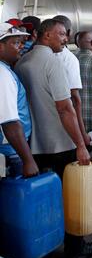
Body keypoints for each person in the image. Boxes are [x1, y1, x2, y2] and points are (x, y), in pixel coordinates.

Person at [15, 19, 92, 258]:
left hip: (35, 145)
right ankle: (75, 249)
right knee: (72, 198)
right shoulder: (53, 63)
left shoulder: (23, 62)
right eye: (62, 34)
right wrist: (81, 145)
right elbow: (66, 108)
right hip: (61, 144)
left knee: (47, 199)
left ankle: (48, 243)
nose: (65, 39)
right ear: (47, 35)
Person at [0, 23, 39, 177]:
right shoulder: (2, 75)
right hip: (11, 151)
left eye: (21, 42)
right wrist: (28, 160)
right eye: (15, 42)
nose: (21, 46)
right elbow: (9, 122)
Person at [52, 15, 90, 148]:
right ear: (68, 34)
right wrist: (82, 133)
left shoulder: (30, 56)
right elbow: (75, 99)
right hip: (65, 131)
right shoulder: (69, 59)